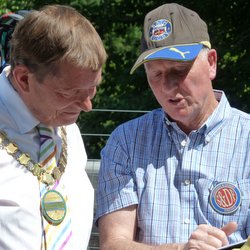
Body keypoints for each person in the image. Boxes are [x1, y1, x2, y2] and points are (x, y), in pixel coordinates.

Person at [95, 3, 250, 250]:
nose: (167, 86)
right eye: (156, 74)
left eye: (179, 70)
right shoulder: (126, 141)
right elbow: (113, 243)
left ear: (211, 63)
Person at [0, 4, 106, 250]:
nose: (87, 105)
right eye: (69, 93)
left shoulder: (68, 126)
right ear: (24, 78)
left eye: (93, 90)